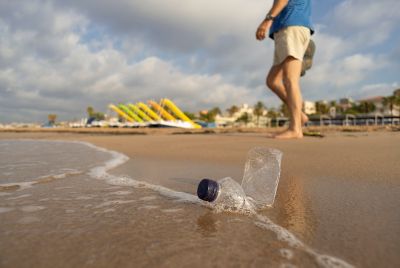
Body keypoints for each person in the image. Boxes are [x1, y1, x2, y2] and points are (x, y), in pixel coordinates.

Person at [256, 0, 314, 139]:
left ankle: (295, 129)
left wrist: (267, 20)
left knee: (290, 80)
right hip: (287, 29)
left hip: (291, 27)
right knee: (273, 81)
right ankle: (300, 116)